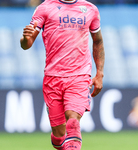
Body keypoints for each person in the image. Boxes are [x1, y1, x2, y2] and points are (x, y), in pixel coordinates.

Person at [20, 0, 105, 150]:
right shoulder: (45, 8)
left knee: (73, 121)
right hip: (53, 78)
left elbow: (97, 41)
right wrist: (25, 39)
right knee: (59, 137)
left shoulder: (90, 9)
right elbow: (27, 44)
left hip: (79, 76)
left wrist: (99, 73)